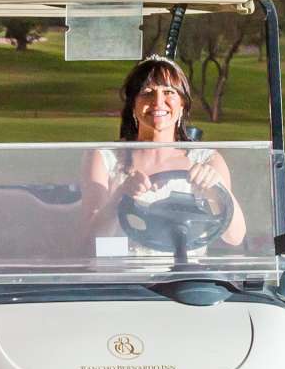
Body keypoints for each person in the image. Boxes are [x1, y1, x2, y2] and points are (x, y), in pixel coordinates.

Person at [81, 55, 245, 248]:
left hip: (186, 274)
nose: (158, 102)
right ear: (133, 104)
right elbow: (91, 241)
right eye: (147, 93)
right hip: (125, 274)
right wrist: (120, 195)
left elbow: (235, 237)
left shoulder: (207, 159)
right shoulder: (104, 157)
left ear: (182, 104)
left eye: (169, 92)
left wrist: (216, 188)